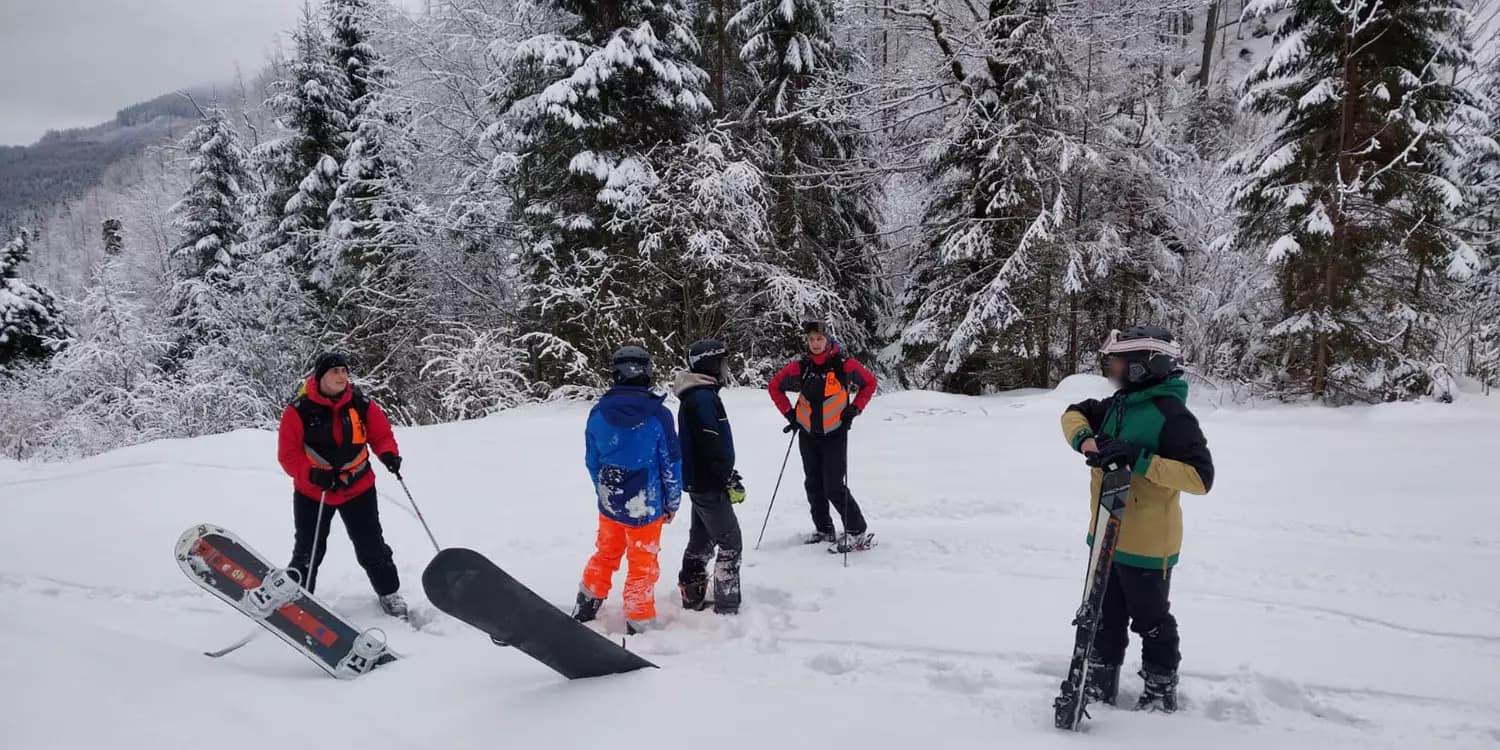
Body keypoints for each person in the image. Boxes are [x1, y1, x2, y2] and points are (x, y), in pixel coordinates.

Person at [1059, 324, 1215, 713]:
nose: (1110, 371)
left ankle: (1160, 688)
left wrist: (1139, 459)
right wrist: (1089, 442)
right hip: (1105, 537)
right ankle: (1098, 679)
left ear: (1142, 368)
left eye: (1116, 364)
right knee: (1103, 616)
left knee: (1151, 620)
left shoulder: (1172, 416)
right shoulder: (1119, 405)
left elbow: (1200, 478)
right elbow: (1073, 414)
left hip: (1147, 545)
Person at [277, 351, 408, 618]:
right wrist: (311, 474)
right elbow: (288, 455)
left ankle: (389, 592)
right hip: (315, 491)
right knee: (308, 549)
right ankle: (298, 598)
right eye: (334, 371)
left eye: (344, 371)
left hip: (357, 487)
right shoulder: (298, 410)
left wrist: (388, 454)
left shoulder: (361, 404)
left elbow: (381, 434)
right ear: (321, 376)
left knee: (371, 545)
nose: (341, 376)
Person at [577, 346, 683, 635]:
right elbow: (671, 464)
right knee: (642, 564)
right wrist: (672, 502)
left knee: (606, 553)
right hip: (645, 505)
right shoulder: (659, 415)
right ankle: (639, 621)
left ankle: (587, 602)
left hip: (610, 501)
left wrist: (604, 492)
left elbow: (592, 461)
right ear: (647, 372)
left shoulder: (597, 413)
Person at [767, 320, 877, 553]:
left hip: (835, 434)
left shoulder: (843, 365)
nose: (815, 343)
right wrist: (790, 414)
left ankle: (857, 531)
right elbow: (774, 386)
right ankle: (824, 529)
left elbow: (869, 383)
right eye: (811, 339)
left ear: (828, 340)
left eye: (819, 339)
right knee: (813, 485)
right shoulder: (801, 366)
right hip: (808, 435)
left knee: (834, 486)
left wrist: (854, 409)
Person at [672, 339, 744, 614]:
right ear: (710, 364)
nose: (726, 368)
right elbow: (709, 443)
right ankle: (727, 606)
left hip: (701, 481)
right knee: (730, 542)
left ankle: (692, 594)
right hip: (709, 482)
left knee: (701, 542)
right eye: (723, 362)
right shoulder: (702, 398)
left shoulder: (699, 395)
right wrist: (726, 476)